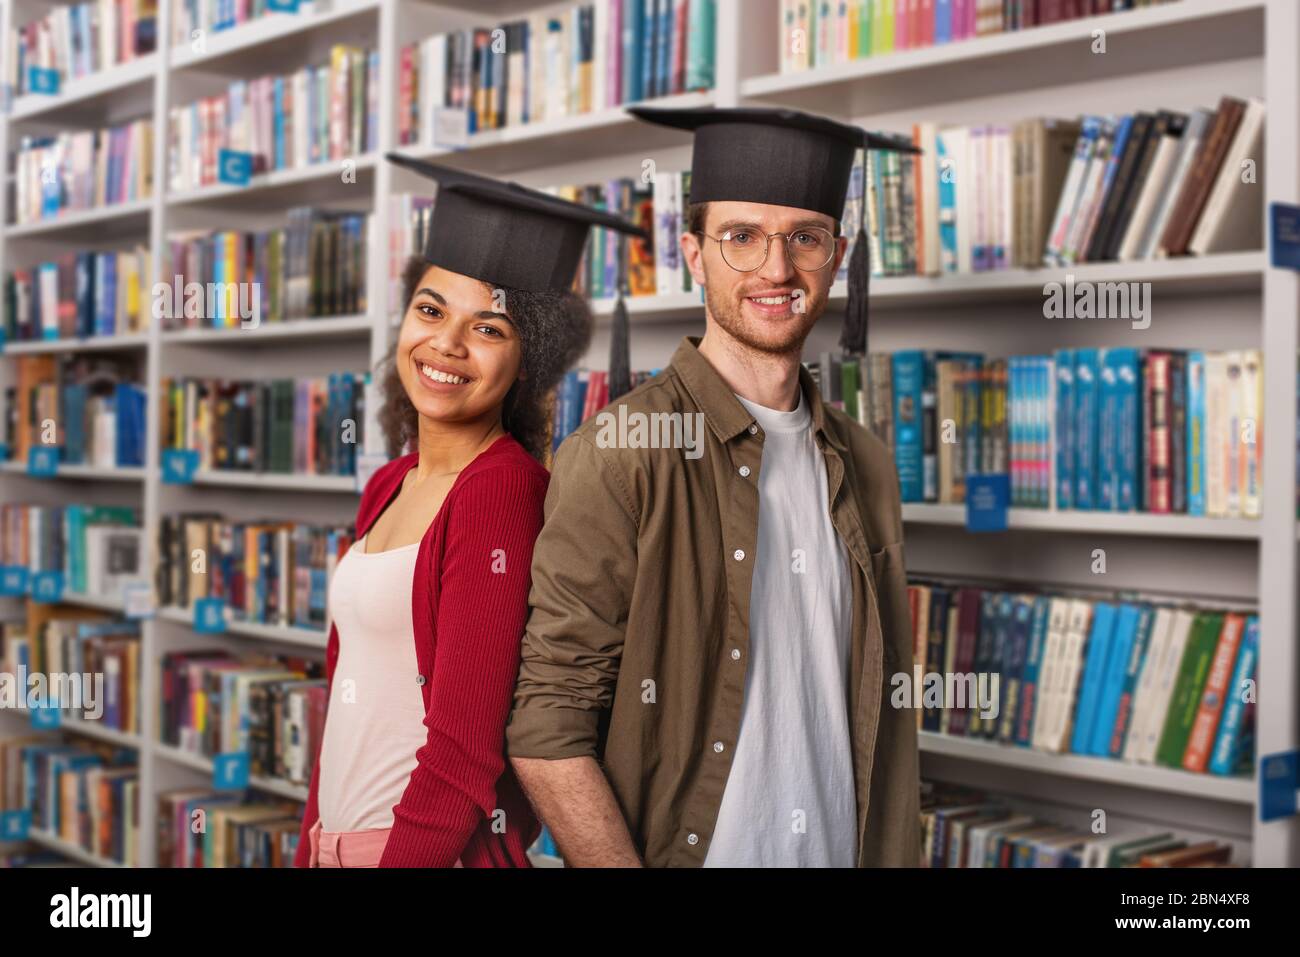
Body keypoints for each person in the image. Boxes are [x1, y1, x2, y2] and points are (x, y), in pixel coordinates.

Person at [506, 106, 922, 867]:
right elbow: (547, 729)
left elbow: (883, 713)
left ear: (837, 256)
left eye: (806, 237)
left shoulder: (865, 462)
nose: (775, 269)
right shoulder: (620, 453)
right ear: (692, 254)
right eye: (741, 237)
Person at [293, 155, 645, 867]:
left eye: (489, 328)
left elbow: (463, 751)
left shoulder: (500, 492)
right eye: (430, 310)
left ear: (529, 360)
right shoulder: (388, 483)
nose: (446, 345)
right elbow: (344, 704)